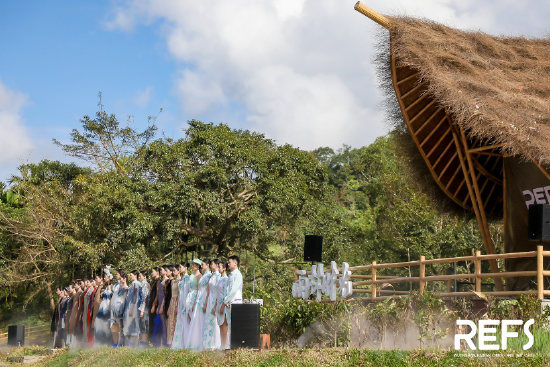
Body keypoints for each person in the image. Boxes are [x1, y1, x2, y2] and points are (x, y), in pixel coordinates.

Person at [187, 258, 211, 350]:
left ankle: (202, 343)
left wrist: (205, 303)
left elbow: (208, 289)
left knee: (202, 320)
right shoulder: (204, 275)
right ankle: (196, 343)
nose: (202, 266)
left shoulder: (209, 275)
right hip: (199, 298)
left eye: (203, 264)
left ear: (207, 265)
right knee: (196, 319)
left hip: (204, 297)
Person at [220, 255, 242, 349]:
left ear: (235, 263)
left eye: (229, 262)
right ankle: (230, 345)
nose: (228, 264)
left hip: (235, 302)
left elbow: (233, 290)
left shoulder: (238, 275)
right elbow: (227, 289)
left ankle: (236, 345)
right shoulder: (230, 275)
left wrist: (226, 300)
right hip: (229, 303)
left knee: (235, 324)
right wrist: (226, 301)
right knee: (230, 324)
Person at [183, 259, 201, 349]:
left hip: (194, 296)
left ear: (198, 266)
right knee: (188, 317)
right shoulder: (191, 275)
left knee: (193, 317)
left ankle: (195, 340)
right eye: (192, 264)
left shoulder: (199, 276)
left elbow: (199, 289)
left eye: (194, 265)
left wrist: (195, 301)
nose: (192, 266)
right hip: (189, 296)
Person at [171, 262, 189, 350]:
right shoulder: (182, 278)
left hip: (185, 301)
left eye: (181, 267)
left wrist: (187, 303)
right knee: (180, 321)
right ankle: (179, 343)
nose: (180, 268)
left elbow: (187, 291)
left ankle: (185, 343)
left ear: (185, 268)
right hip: (180, 301)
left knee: (185, 322)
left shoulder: (187, 278)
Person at [203, 259, 221, 350]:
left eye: (212, 264)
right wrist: (206, 302)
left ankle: (216, 344)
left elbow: (219, 291)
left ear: (217, 265)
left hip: (215, 300)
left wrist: (216, 305)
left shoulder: (219, 276)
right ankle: (208, 343)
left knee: (215, 322)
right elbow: (208, 290)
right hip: (209, 299)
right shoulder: (212, 275)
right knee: (209, 321)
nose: (211, 265)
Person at [95, 266, 113, 346]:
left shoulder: (111, 286)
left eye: (105, 277)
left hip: (106, 308)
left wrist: (107, 309)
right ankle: (101, 342)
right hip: (102, 307)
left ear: (109, 277)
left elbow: (110, 299)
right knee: (100, 325)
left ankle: (108, 343)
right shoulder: (106, 287)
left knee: (106, 327)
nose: (104, 278)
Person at [123, 270, 141, 346]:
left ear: (135, 275)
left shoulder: (136, 284)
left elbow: (135, 297)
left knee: (132, 325)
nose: (130, 277)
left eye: (131, 275)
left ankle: (132, 344)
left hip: (132, 307)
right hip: (129, 306)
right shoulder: (133, 284)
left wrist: (131, 308)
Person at [152, 266, 169, 347]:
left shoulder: (166, 281)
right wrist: (156, 305)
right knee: (160, 324)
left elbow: (165, 295)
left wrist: (161, 305)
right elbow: (158, 294)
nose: (161, 271)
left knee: (164, 324)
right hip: (160, 304)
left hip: (163, 304)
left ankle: (164, 343)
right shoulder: (162, 280)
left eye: (162, 269)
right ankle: (161, 343)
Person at [110, 271, 128, 347]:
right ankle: (119, 343)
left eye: (121, 279)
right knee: (118, 327)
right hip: (116, 309)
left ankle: (122, 344)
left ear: (124, 279)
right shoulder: (120, 288)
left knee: (121, 328)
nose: (120, 280)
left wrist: (121, 308)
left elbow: (123, 299)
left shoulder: (126, 288)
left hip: (121, 309)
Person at [214, 262, 229, 349]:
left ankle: (225, 345)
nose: (218, 268)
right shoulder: (220, 278)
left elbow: (225, 294)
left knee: (224, 325)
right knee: (220, 324)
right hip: (218, 303)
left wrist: (222, 306)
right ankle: (222, 344)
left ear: (224, 269)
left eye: (219, 267)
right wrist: (216, 305)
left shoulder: (226, 279)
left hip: (223, 303)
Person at [166, 265, 180, 346]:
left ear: (178, 271)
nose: (173, 272)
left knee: (175, 321)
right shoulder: (174, 281)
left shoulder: (180, 281)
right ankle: (170, 342)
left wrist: (177, 305)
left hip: (176, 301)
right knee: (170, 322)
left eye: (175, 270)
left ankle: (175, 342)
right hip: (172, 301)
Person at [137, 270, 150, 348]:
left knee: (144, 325)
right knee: (142, 325)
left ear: (144, 277)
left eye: (140, 276)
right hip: (142, 307)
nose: (139, 278)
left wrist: (142, 310)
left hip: (145, 308)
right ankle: (142, 341)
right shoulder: (142, 285)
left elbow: (144, 298)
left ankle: (144, 343)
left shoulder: (146, 285)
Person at [148, 268, 160, 343]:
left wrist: (154, 305)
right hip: (151, 303)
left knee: (154, 323)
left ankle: (155, 341)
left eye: (152, 272)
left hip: (155, 305)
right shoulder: (154, 281)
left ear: (157, 272)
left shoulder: (158, 281)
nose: (151, 273)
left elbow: (157, 294)